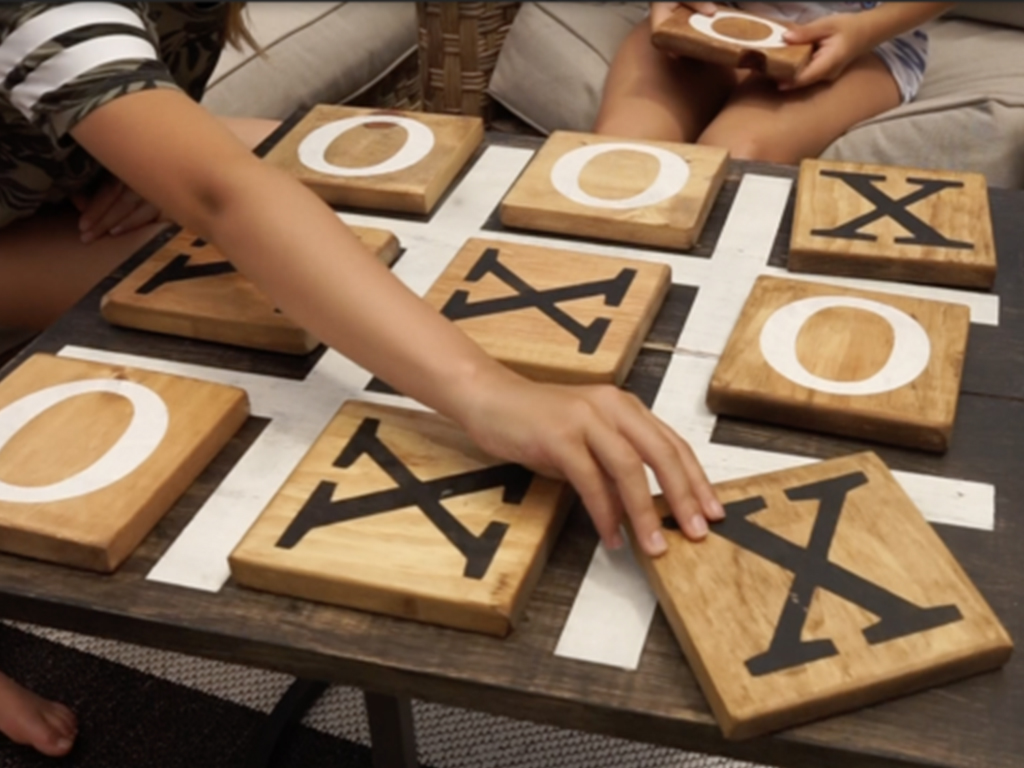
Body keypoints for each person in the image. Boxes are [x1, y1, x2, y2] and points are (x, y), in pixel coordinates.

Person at [0, 3, 724, 756]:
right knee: (266, 254)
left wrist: (138, 145)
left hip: (54, 185)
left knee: (337, 187)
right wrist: (486, 391)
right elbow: (224, 194)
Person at [595, 1, 954, 163]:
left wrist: (863, 32)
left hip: (863, 34)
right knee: (616, 160)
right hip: (704, 12)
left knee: (733, 162)